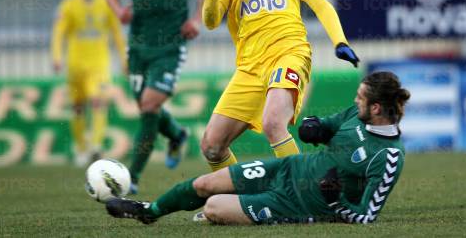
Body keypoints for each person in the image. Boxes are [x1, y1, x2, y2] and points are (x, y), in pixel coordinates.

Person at [105, 71, 409, 225]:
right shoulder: (355, 114)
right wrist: (313, 128)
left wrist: (336, 203)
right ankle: (149, 211)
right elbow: (327, 127)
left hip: (299, 206)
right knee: (205, 183)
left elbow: (368, 216)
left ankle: (240, 207)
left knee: (213, 207)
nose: (355, 100)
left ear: (378, 107)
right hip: (289, 168)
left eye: (360, 98)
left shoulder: (389, 157)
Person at [197, 0, 360, 172]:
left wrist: (339, 40)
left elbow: (319, 3)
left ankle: (303, 195)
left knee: (274, 122)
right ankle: (236, 202)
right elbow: (210, 22)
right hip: (249, 68)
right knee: (212, 146)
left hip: (289, 53)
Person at [104, 0, 207, 193]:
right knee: (147, 107)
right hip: (137, 47)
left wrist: (196, 20)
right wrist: (118, 11)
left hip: (170, 47)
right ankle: (176, 134)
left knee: (149, 105)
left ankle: (133, 177)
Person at [51, 0, 127, 166]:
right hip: (76, 65)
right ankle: (81, 148)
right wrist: (57, 57)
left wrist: (124, 59)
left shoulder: (106, 3)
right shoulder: (68, 5)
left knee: (98, 101)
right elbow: (59, 33)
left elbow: (117, 34)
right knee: (77, 107)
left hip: (99, 65)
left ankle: (95, 145)